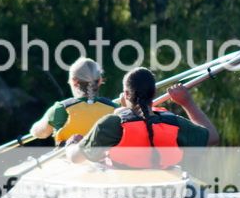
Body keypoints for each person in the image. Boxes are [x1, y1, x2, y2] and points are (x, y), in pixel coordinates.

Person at [65, 67, 219, 168]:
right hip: (166, 192)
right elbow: (212, 137)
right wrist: (187, 102)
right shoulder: (172, 122)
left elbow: (76, 158)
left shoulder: (111, 124)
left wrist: (71, 145)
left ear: (125, 95)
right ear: (154, 94)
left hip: (126, 193)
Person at [30, 57, 118, 145]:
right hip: (103, 157)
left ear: (74, 81)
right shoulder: (115, 109)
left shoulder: (61, 108)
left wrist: (47, 117)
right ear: (99, 80)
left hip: (67, 157)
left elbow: (38, 133)